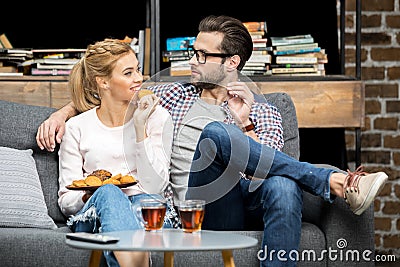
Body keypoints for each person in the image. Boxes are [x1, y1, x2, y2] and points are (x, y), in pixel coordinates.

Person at [37, 16, 388, 266]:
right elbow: (112, 87)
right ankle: (333, 180)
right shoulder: (174, 96)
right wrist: (62, 113)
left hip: (239, 202)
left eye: (203, 56)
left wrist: (244, 124)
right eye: (194, 50)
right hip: (196, 206)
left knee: (282, 184)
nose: (192, 60)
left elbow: (265, 175)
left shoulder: (264, 112)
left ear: (231, 62)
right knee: (214, 133)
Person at [55, 39, 174, 267]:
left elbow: (156, 186)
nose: (139, 78)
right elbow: (66, 201)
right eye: (128, 73)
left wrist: (140, 127)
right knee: (109, 192)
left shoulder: (157, 117)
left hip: (146, 209)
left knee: (142, 206)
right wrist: (91, 195)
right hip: (93, 212)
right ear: (103, 82)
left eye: (137, 69)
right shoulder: (76, 127)